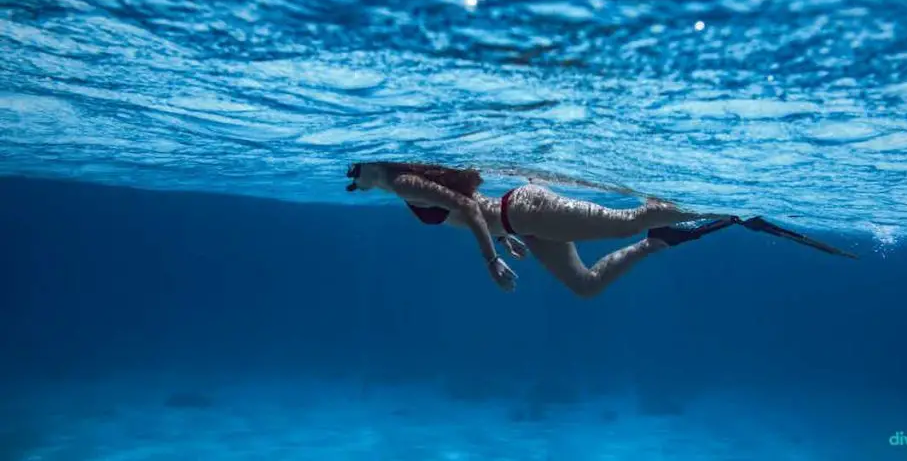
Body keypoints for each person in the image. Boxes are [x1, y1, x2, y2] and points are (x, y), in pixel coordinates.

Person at [345, 162, 856, 298]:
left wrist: (491, 256)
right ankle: (661, 240)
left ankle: (728, 205)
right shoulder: (395, 184)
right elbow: (470, 208)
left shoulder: (404, 180)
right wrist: (502, 238)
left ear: (369, 161)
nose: (352, 181)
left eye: (353, 172)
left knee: (625, 220)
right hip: (520, 223)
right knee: (586, 286)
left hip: (525, 210)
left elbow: (466, 208)